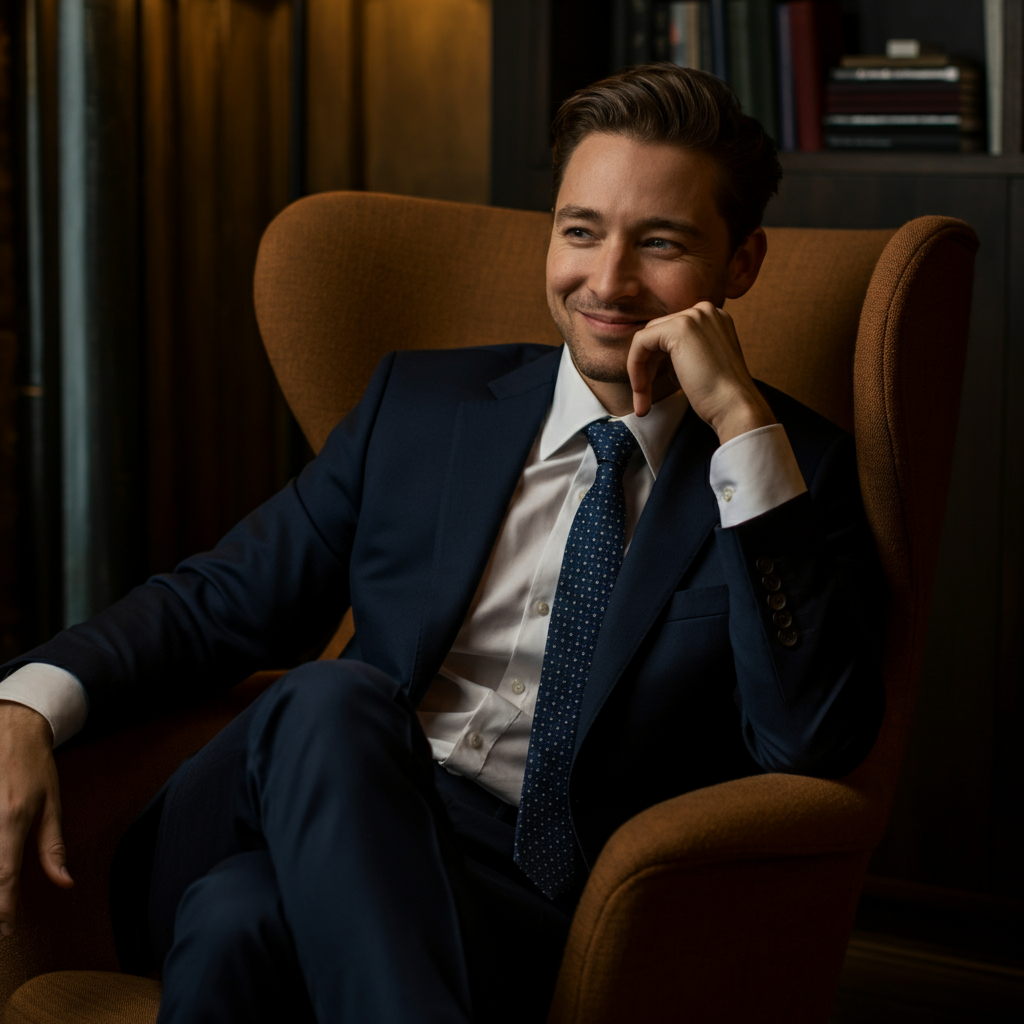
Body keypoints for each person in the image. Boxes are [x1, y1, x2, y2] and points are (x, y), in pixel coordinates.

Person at [0, 64, 884, 1023]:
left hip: (522, 904)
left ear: (741, 265)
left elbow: (808, 741)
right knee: (336, 699)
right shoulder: (419, 409)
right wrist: (28, 704)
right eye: (580, 230)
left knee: (237, 921)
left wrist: (740, 424)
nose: (608, 280)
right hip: (306, 796)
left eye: (660, 243)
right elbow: (223, 599)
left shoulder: (785, 476)